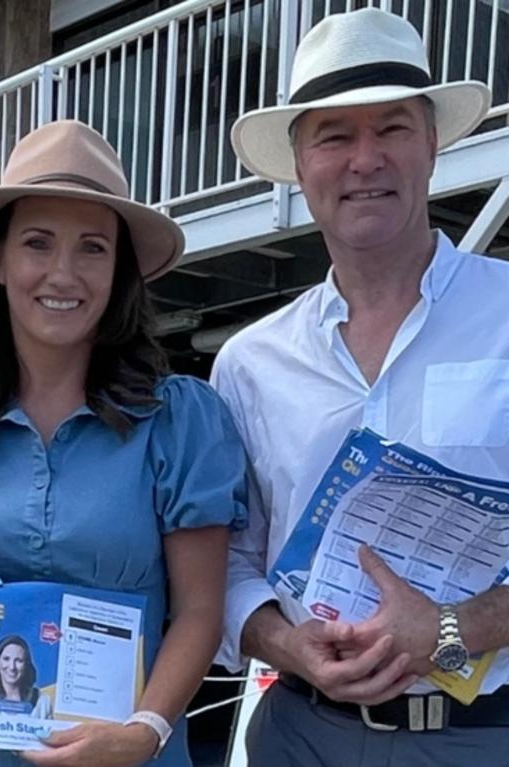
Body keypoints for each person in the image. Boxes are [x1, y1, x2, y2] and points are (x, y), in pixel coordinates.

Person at [0, 119, 248, 767]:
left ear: (120, 270)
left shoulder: (181, 420)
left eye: (93, 248)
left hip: (128, 753)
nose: (63, 272)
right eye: (37, 243)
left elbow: (199, 611)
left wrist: (143, 732)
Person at [214, 8, 509, 766]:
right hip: (298, 735)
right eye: (335, 136)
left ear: (434, 145)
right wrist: (287, 641)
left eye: (393, 129)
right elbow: (232, 559)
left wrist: (454, 630)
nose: (365, 159)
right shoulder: (248, 363)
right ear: (300, 163)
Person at [0, 635, 51, 718]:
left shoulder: (42, 701)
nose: (12, 667)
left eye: (19, 660)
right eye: (6, 659)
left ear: (26, 665)